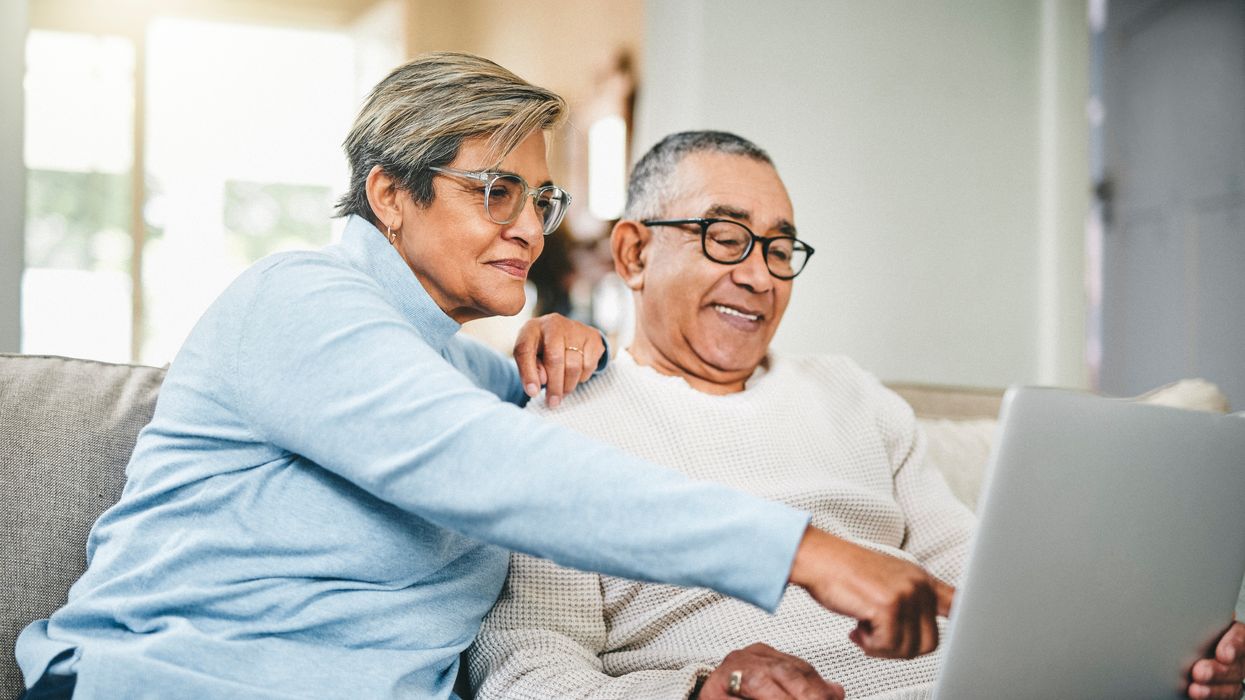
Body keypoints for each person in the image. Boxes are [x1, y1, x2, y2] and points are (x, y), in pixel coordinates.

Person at [14, 57, 954, 700]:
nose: (530, 229)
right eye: (495, 192)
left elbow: (560, 420)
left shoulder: (471, 371)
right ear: (390, 194)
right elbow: (500, 471)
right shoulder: (294, 299)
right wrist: (805, 553)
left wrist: (572, 344)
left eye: (541, 199)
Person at [466, 130, 1245, 700]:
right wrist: (698, 689)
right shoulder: (567, 417)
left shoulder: (851, 394)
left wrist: (1159, 654)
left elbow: (975, 579)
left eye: (779, 250)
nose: (759, 277)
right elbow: (524, 669)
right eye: (726, 238)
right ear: (635, 254)